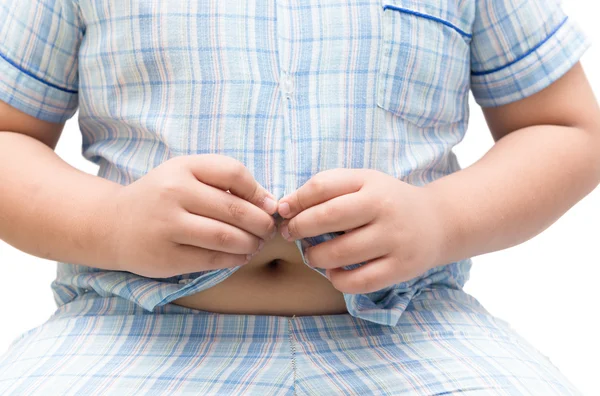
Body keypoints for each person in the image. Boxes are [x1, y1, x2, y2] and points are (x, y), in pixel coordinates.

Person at [0, 0, 597, 394]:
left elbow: (567, 129)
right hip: (124, 334)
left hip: (415, 331)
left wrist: (440, 219)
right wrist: (113, 222)